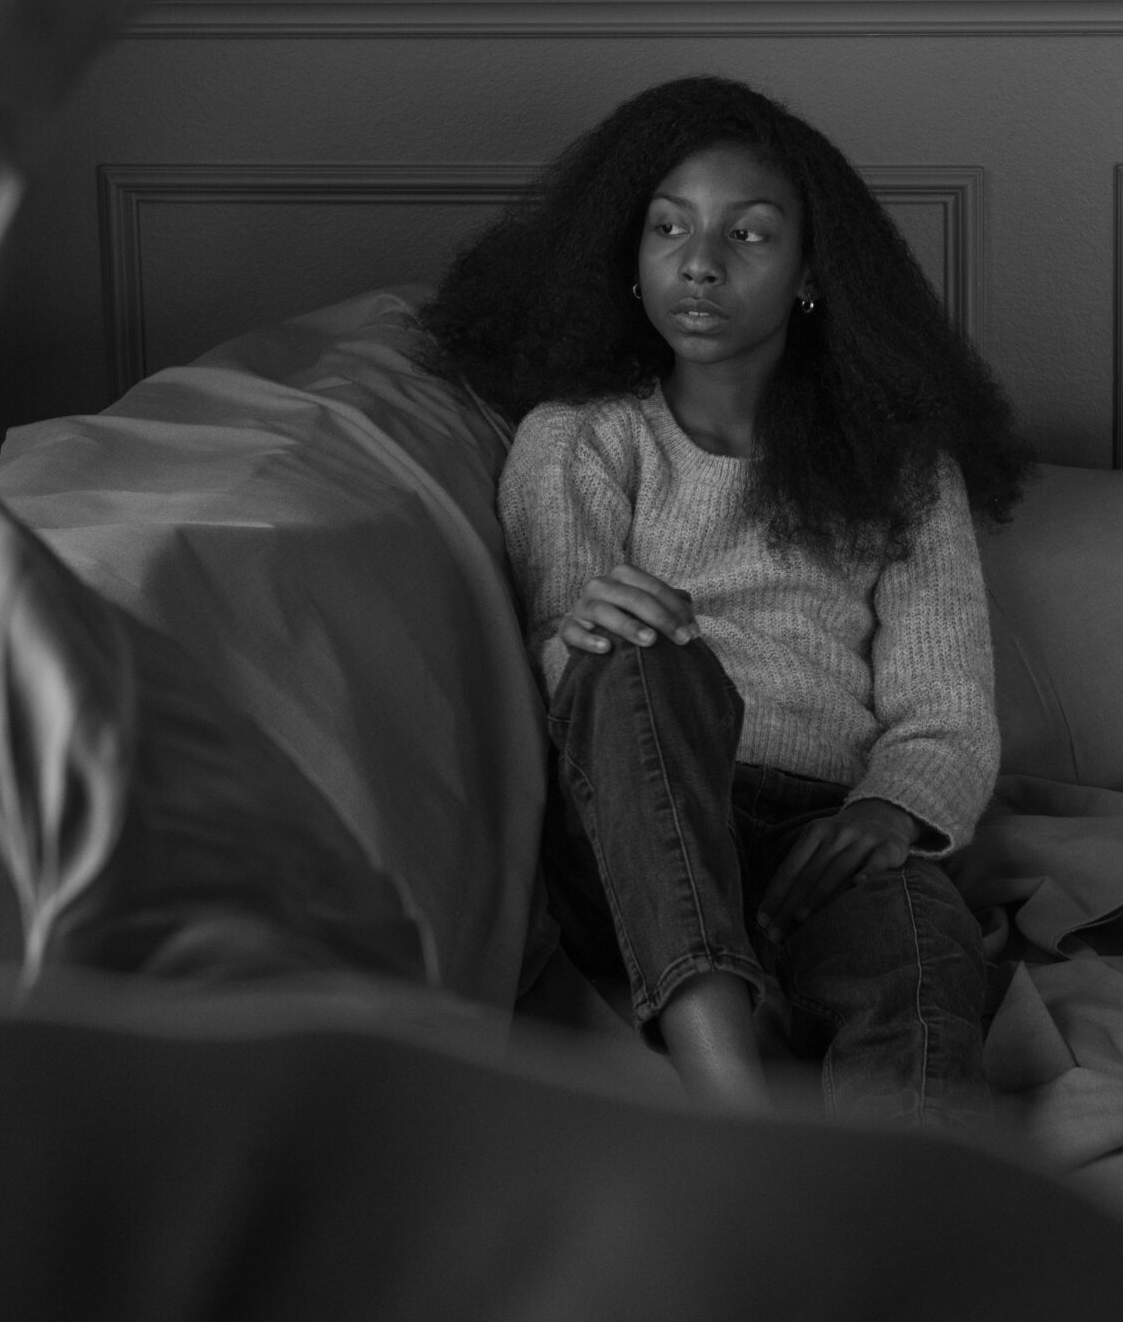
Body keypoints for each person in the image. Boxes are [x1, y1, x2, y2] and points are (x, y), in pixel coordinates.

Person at [419, 75, 1030, 1126]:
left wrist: (892, 809)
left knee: (923, 958)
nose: (699, 262)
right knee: (634, 651)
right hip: (631, 823)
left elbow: (948, 707)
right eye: (667, 229)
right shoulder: (581, 439)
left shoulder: (904, 472)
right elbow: (566, 653)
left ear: (807, 273)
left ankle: (910, 1229)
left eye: (748, 234)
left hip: (823, 832)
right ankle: (733, 1110)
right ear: (631, 259)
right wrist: (592, 633)